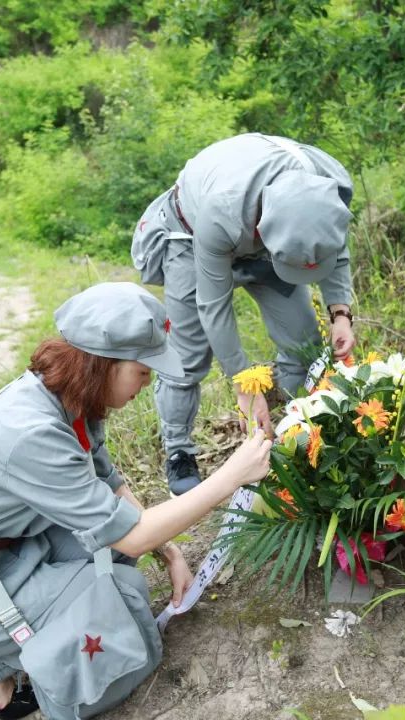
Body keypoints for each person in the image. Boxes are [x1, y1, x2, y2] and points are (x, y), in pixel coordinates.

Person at [0, 282, 271, 720]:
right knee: (124, 595)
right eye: (142, 371)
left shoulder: (68, 400)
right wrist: (231, 476)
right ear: (102, 364)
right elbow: (131, 536)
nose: (146, 384)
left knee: (112, 558)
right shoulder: (32, 433)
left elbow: (109, 489)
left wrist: (168, 550)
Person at [131, 132, 357, 495]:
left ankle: (296, 433)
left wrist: (340, 314)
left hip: (269, 245)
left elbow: (333, 248)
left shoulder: (327, 190)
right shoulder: (221, 212)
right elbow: (214, 306)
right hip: (192, 238)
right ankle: (178, 451)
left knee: (305, 344)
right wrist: (243, 383)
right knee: (188, 356)